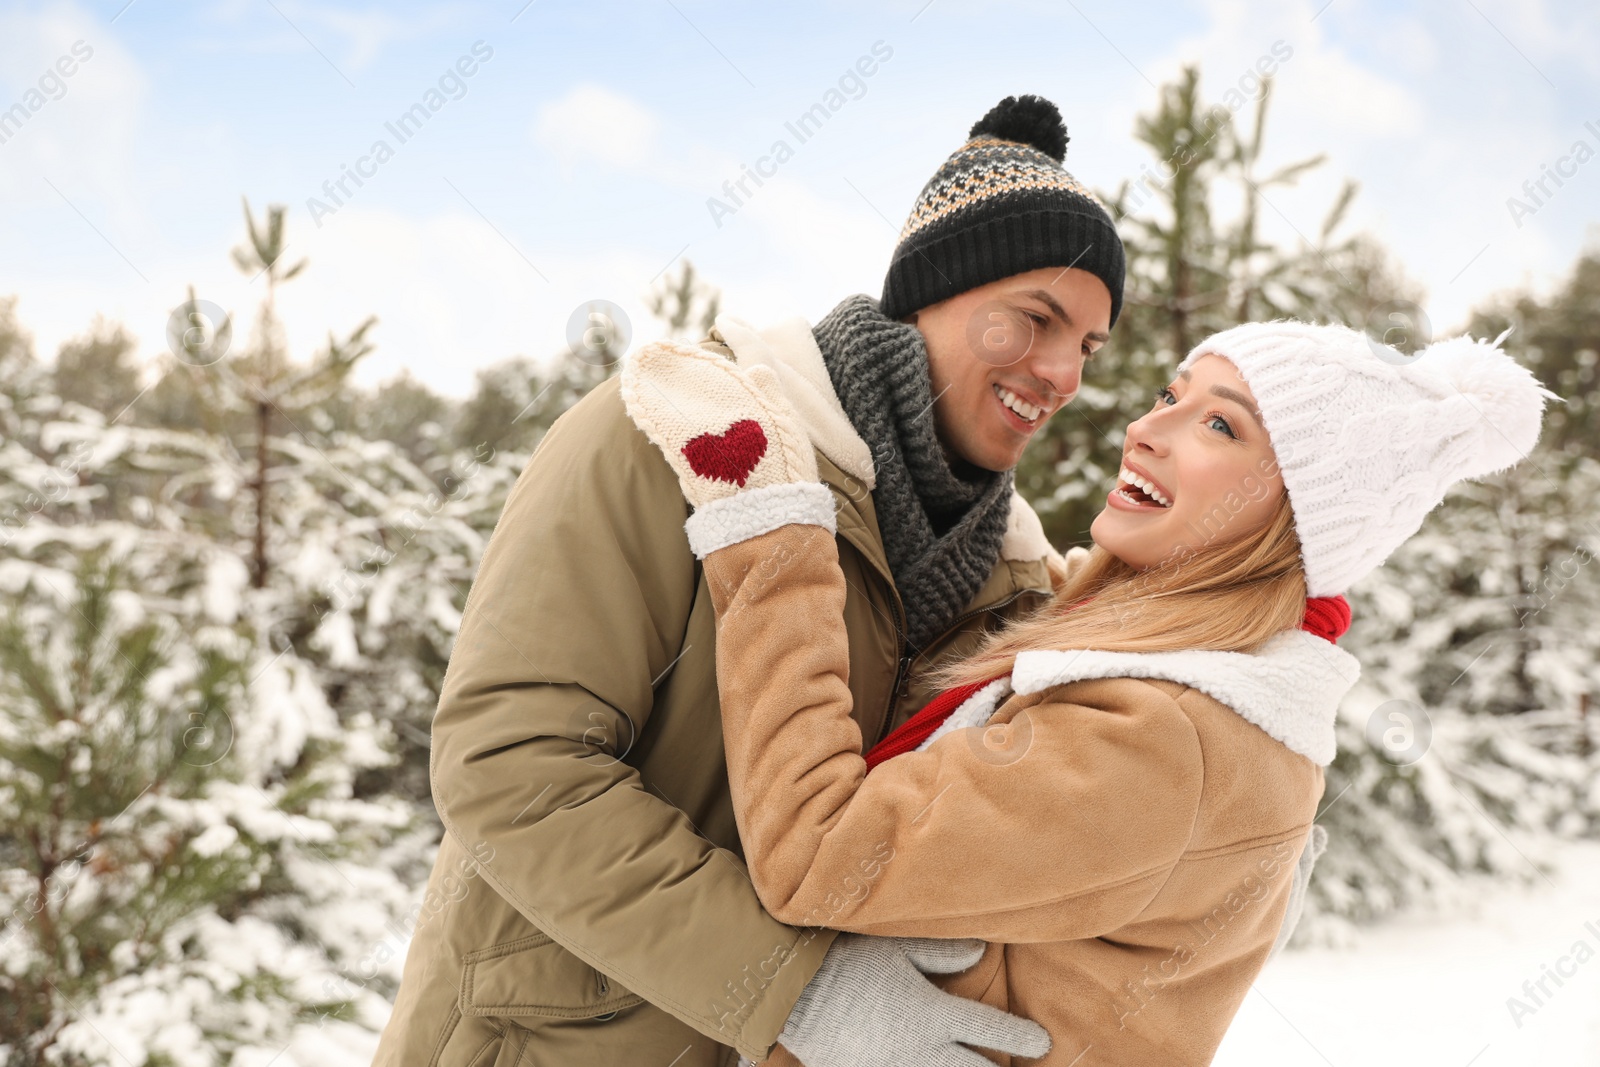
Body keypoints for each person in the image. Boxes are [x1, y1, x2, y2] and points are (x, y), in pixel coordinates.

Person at [373, 94, 1137, 1067]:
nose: (1065, 371)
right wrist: (791, 988)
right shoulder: (674, 440)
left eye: (1089, 345)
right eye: (1037, 318)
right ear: (931, 291)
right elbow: (510, 764)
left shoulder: (1011, 579)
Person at [619, 317, 1554, 1065]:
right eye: (1168, 396)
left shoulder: (1164, 738)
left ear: (1292, 517)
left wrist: (769, 533)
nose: (1145, 429)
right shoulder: (1200, 695)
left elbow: (817, 853)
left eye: (1220, 424)